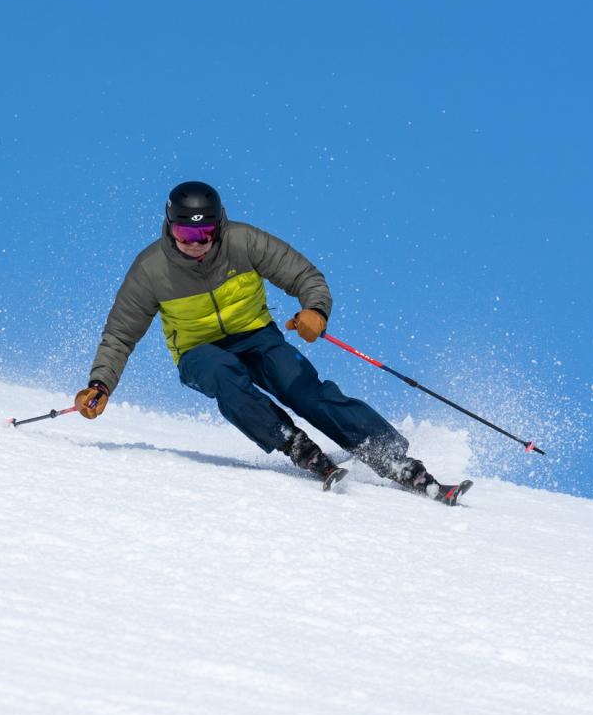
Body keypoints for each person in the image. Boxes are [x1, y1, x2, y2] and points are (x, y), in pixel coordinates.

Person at [74, 180, 468, 504]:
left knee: (304, 389)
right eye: (184, 233)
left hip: (257, 337)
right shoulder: (150, 270)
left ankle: (394, 459)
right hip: (197, 353)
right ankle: (295, 445)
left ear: (219, 227)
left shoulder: (245, 242)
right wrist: (101, 383)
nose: (194, 243)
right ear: (169, 227)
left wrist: (315, 310)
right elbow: (120, 332)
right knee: (224, 375)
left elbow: (305, 275)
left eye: (204, 233)